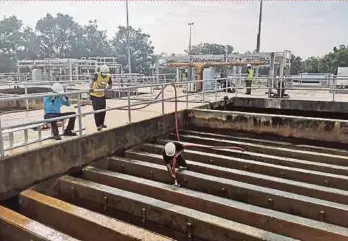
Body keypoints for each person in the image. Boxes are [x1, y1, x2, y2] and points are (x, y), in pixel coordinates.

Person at [89, 64, 112, 131]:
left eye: (105, 74)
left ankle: (102, 123)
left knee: (103, 110)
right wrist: (91, 88)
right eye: (103, 74)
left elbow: (110, 85)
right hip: (94, 95)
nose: (104, 75)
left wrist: (107, 88)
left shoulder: (108, 76)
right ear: (101, 72)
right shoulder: (97, 75)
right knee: (97, 111)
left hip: (102, 95)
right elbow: (92, 81)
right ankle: (98, 125)